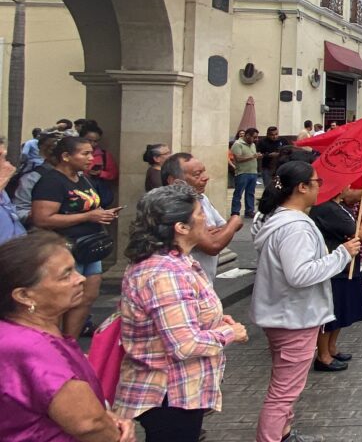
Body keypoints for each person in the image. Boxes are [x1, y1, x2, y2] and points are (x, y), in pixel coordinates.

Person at [114, 184, 249, 440]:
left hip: (179, 391)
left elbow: (183, 313)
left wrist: (215, 320)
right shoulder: (164, 273)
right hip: (168, 393)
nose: (206, 219)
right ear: (181, 227)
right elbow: (183, 344)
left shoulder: (175, 260)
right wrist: (228, 333)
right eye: (200, 214)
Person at [250, 160, 360, 442]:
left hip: (285, 313)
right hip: (293, 317)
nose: (319, 188)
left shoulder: (283, 220)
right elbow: (299, 274)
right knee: (284, 392)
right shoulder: (294, 227)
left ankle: (284, 432)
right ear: (301, 187)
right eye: (316, 182)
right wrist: (341, 255)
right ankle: (272, 436)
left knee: (286, 387)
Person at [0, 232, 135, 442]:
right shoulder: (28, 345)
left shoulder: (29, 333)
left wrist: (110, 419)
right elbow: (88, 423)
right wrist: (115, 435)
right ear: (24, 296)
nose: (80, 278)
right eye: (66, 274)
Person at [30, 135, 118, 338]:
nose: (91, 159)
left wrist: (101, 214)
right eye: (85, 154)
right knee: (63, 300)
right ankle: (55, 342)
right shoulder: (51, 182)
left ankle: (71, 342)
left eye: (91, 154)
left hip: (89, 246)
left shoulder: (83, 178)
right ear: (66, 156)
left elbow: (89, 206)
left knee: (87, 296)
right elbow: (42, 218)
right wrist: (87, 216)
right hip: (66, 247)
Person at [309, 184, 362, 372]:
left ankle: (331, 348)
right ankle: (323, 356)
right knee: (331, 312)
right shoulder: (326, 208)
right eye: (345, 185)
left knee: (341, 310)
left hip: (345, 264)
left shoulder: (338, 206)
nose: (348, 187)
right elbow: (359, 234)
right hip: (335, 266)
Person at [161, 153, 245, 285]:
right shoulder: (171, 208)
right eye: (197, 174)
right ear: (174, 181)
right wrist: (234, 220)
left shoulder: (201, 198)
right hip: (185, 284)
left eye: (203, 172)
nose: (205, 178)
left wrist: (214, 233)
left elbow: (222, 228)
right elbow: (213, 245)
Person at [14, 131, 61, 226]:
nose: (90, 158)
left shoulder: (81, 177)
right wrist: (40, 215)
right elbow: (19, 211)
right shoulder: (32, 178)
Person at [230, 127, 262, 216]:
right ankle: (235, 211)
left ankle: (249, 211)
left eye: (257, 137)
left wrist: (257, 157)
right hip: (242, 172)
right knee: (238, 193)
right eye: (254, 137)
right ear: (248, 136)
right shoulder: (238, 144)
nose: (256, 139)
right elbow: (238, 158)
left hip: (253, 172)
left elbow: (254, 156)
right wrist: (253, 156)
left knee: (250, 193)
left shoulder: (253, 145)